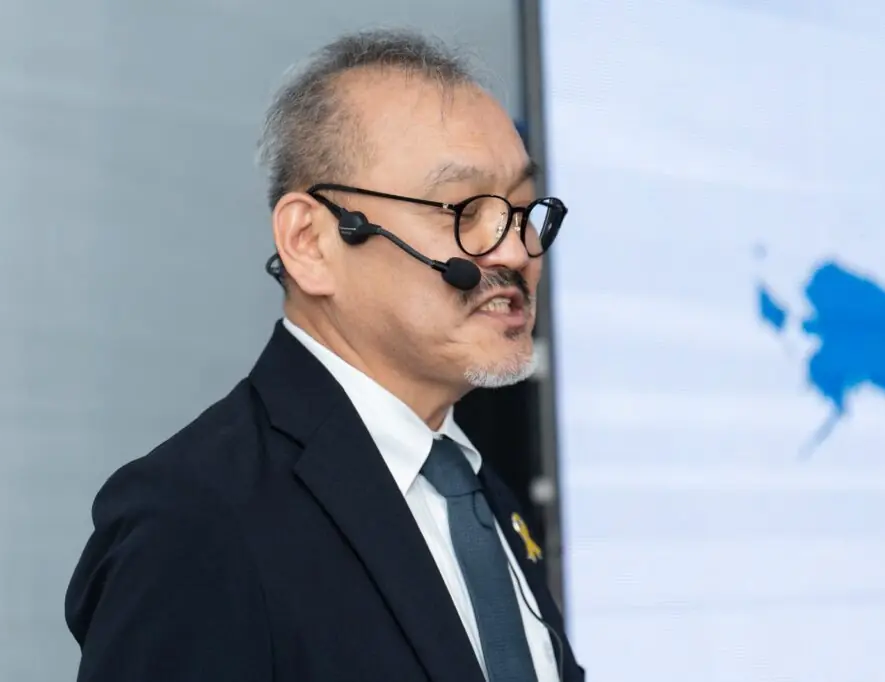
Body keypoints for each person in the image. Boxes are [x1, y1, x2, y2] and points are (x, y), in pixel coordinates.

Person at [64, 28, 581, 682]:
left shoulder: (474, 488)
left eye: (521, 209)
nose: (513, 251)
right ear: (309, 241)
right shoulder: (196, 519)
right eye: (464, 209)